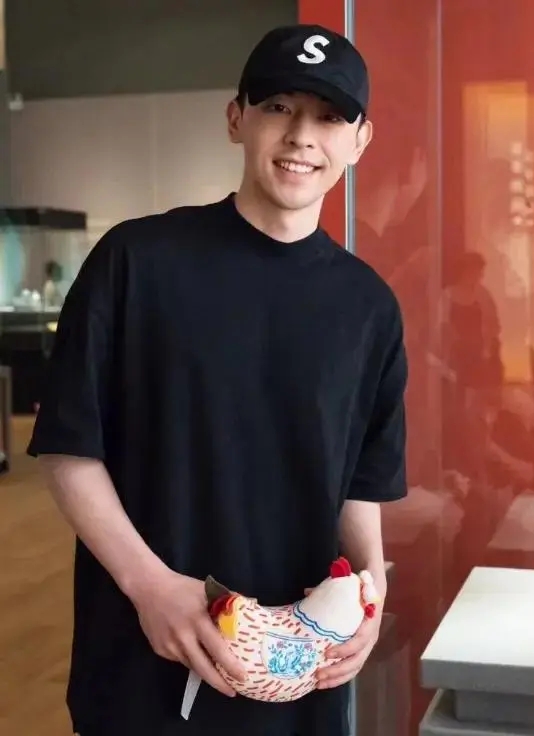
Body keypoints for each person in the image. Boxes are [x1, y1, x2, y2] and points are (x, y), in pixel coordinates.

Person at [27, 23, 408, 736]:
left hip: (301, 681)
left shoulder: (370, 307)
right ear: (236, 119)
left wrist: (371, 594)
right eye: (279, 107)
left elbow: (361, 481)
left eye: (330, 117)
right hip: (142, 669)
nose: (302, 136)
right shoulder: (136, 262)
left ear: (360, 141)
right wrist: (151, 587)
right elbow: (68, 448)